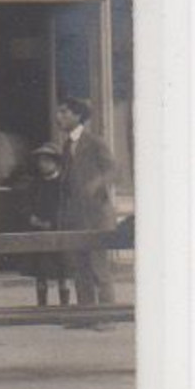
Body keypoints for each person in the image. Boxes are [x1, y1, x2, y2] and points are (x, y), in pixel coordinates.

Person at [54, 97, 118, 308]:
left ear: (78, 115)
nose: (59, 117)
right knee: (79, 267)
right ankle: (86, 314)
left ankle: (107, 316)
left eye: (64, 112)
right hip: (75, 216)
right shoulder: (67, 145)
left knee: (98, 266)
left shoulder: (94, 141)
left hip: (96, 215)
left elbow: (112, 170)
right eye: (59, 112)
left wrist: (97, 184)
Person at [21, 143, 71, 306]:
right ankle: (42, 307)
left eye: (47, 161)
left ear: (56, 163)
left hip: (59, 233)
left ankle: (64, 307)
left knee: (63, 272)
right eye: (40, 161)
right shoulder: (35, 184)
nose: (43, 165)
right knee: (40, 272)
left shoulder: (63, 185)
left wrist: (55, 222)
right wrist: (31, 217)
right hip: (38, 232)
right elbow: (26, 205)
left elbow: (68, 207)